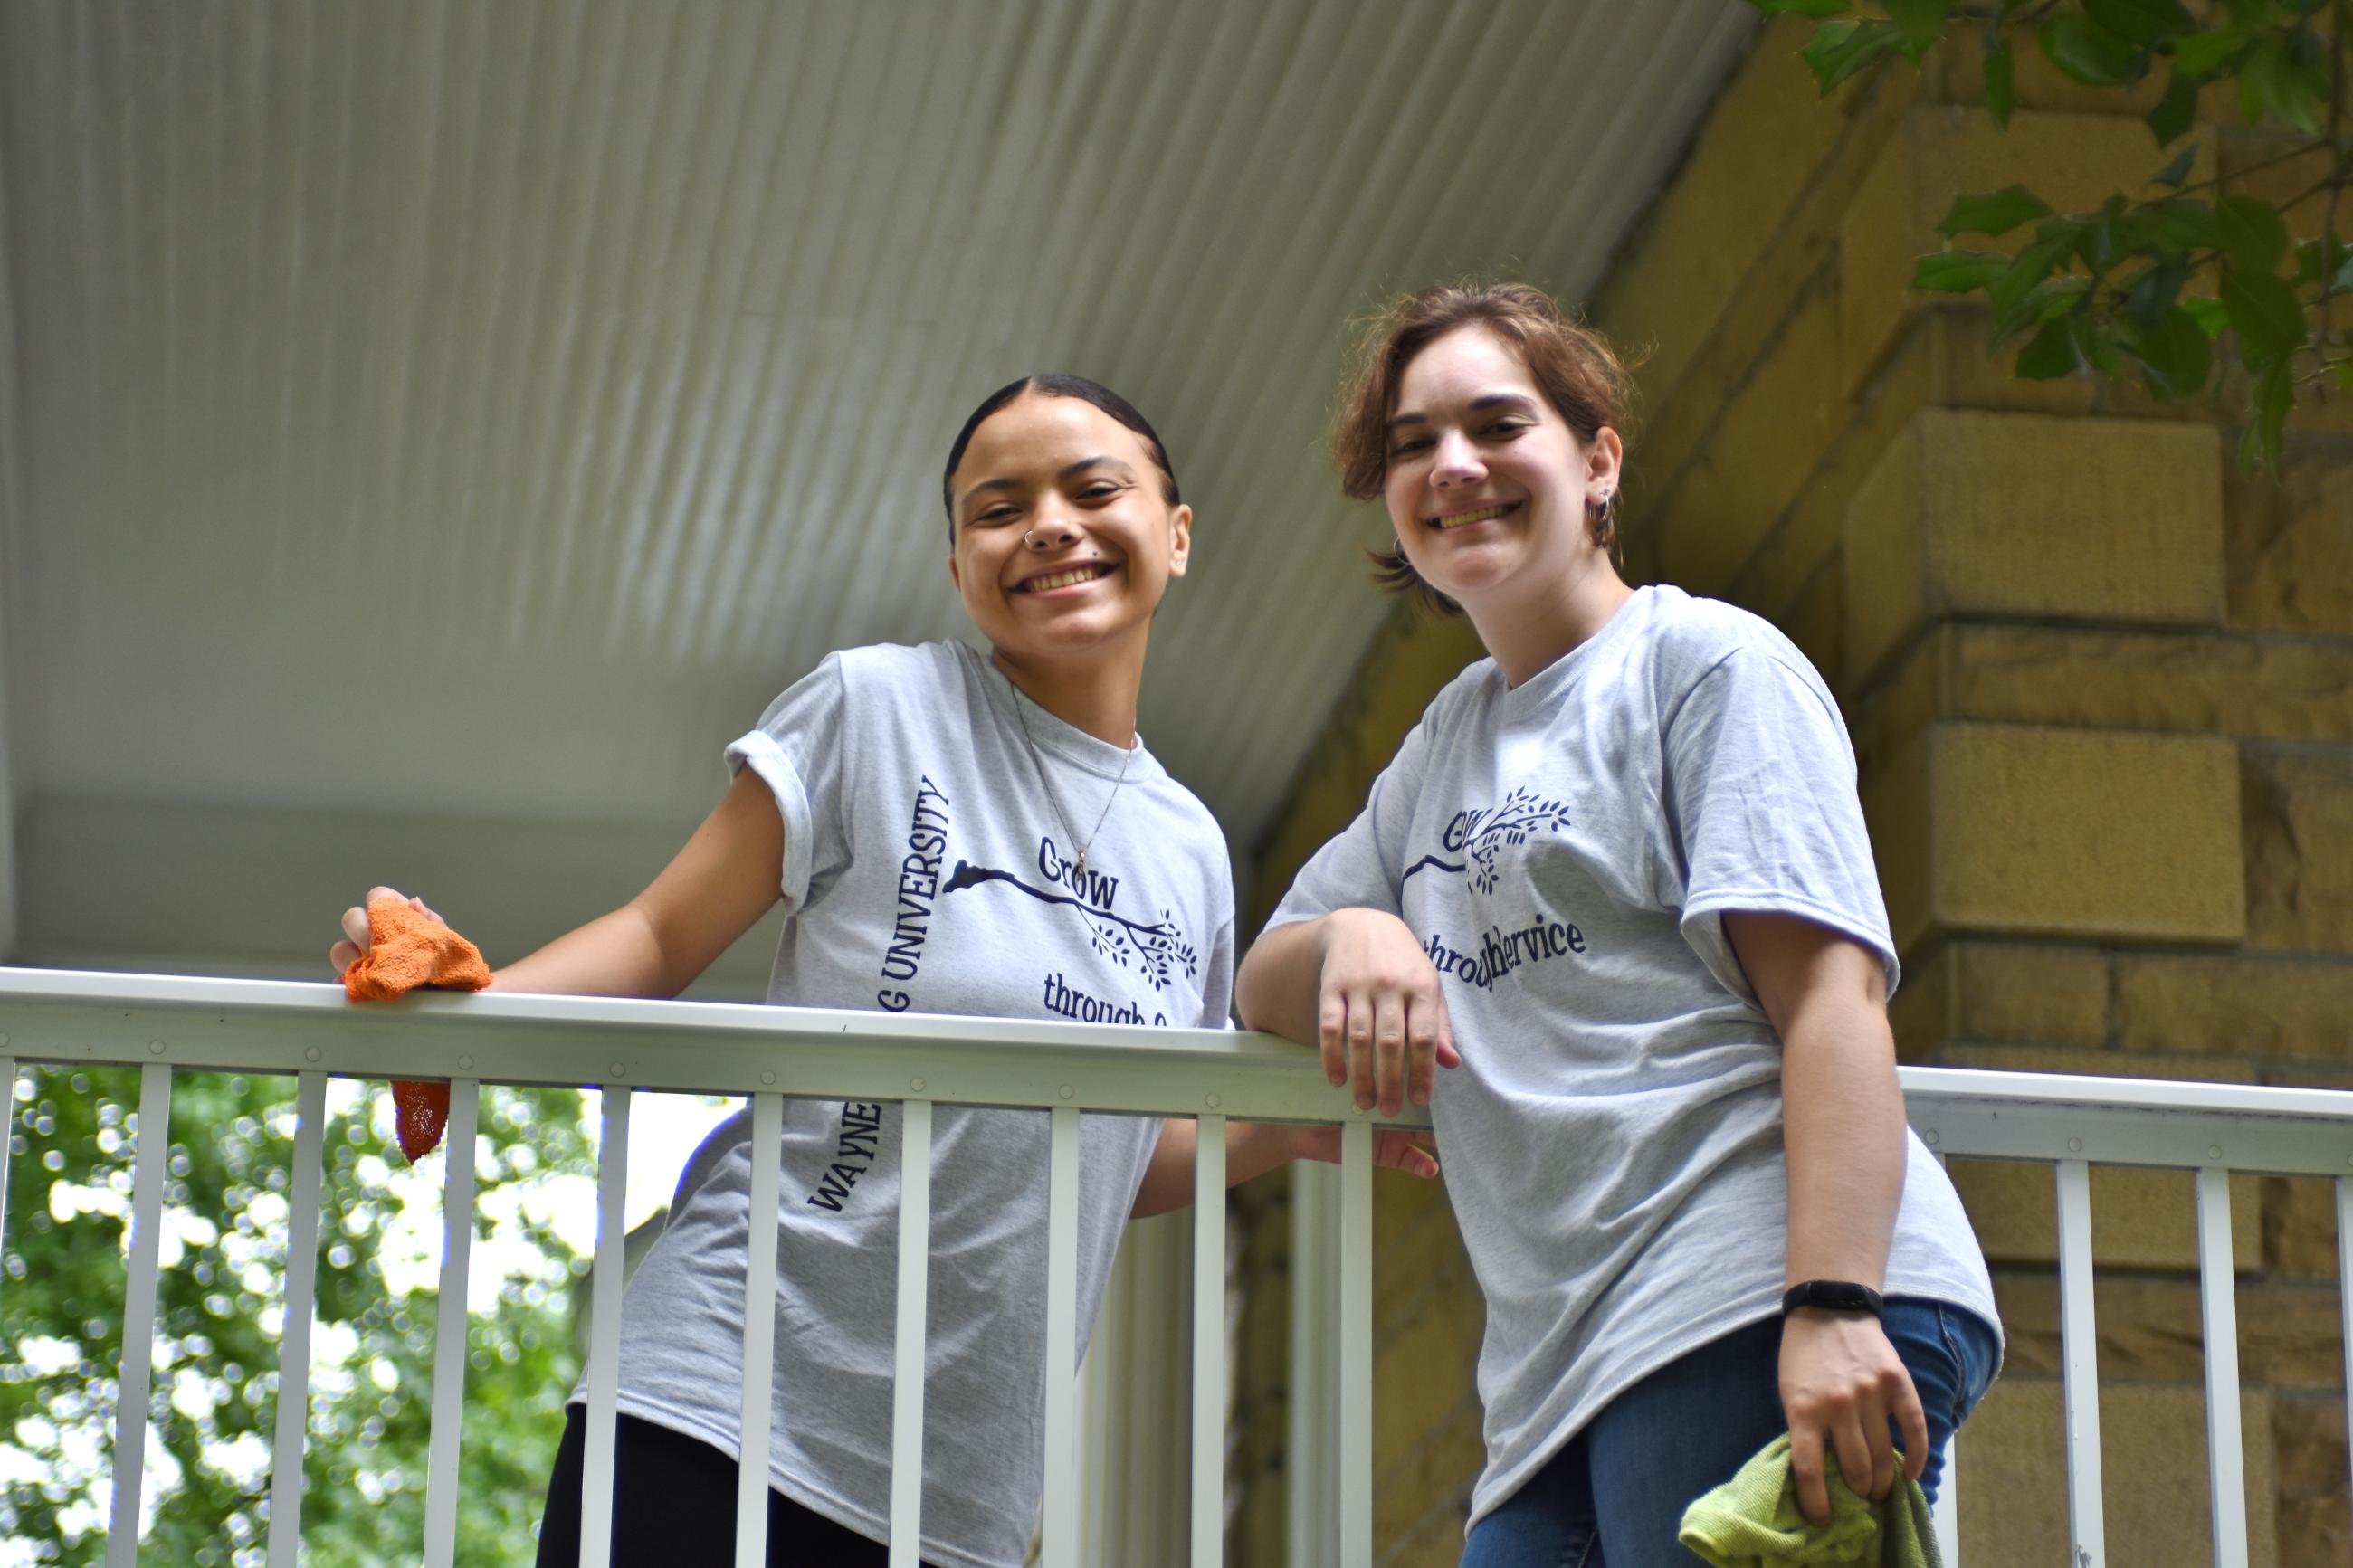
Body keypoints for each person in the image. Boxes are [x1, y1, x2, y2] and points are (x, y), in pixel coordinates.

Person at [330, 374, 1434, 1568]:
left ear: (1175, 532)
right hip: (723, 1398)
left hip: (957, 1489)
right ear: (961, 567)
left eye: (1093, 488)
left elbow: (1108, 1141)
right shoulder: (880, 706)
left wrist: (1274, 1129)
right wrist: (476, 1013)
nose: (1050, 524)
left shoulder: (1193, 853)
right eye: (997, 507)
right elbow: (660, 932)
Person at [1233, 284, 2000, 1567]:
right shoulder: (1441, 750)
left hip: (1747, 1291)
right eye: (1415, 442)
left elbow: (1833, 1002)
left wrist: (1830, 1301)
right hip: (1550, 1392)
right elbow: (1264, 983)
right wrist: (1354, 939)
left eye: (1495, 423)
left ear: (1597, 463)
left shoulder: (1703, 666)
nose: (1453, 465)